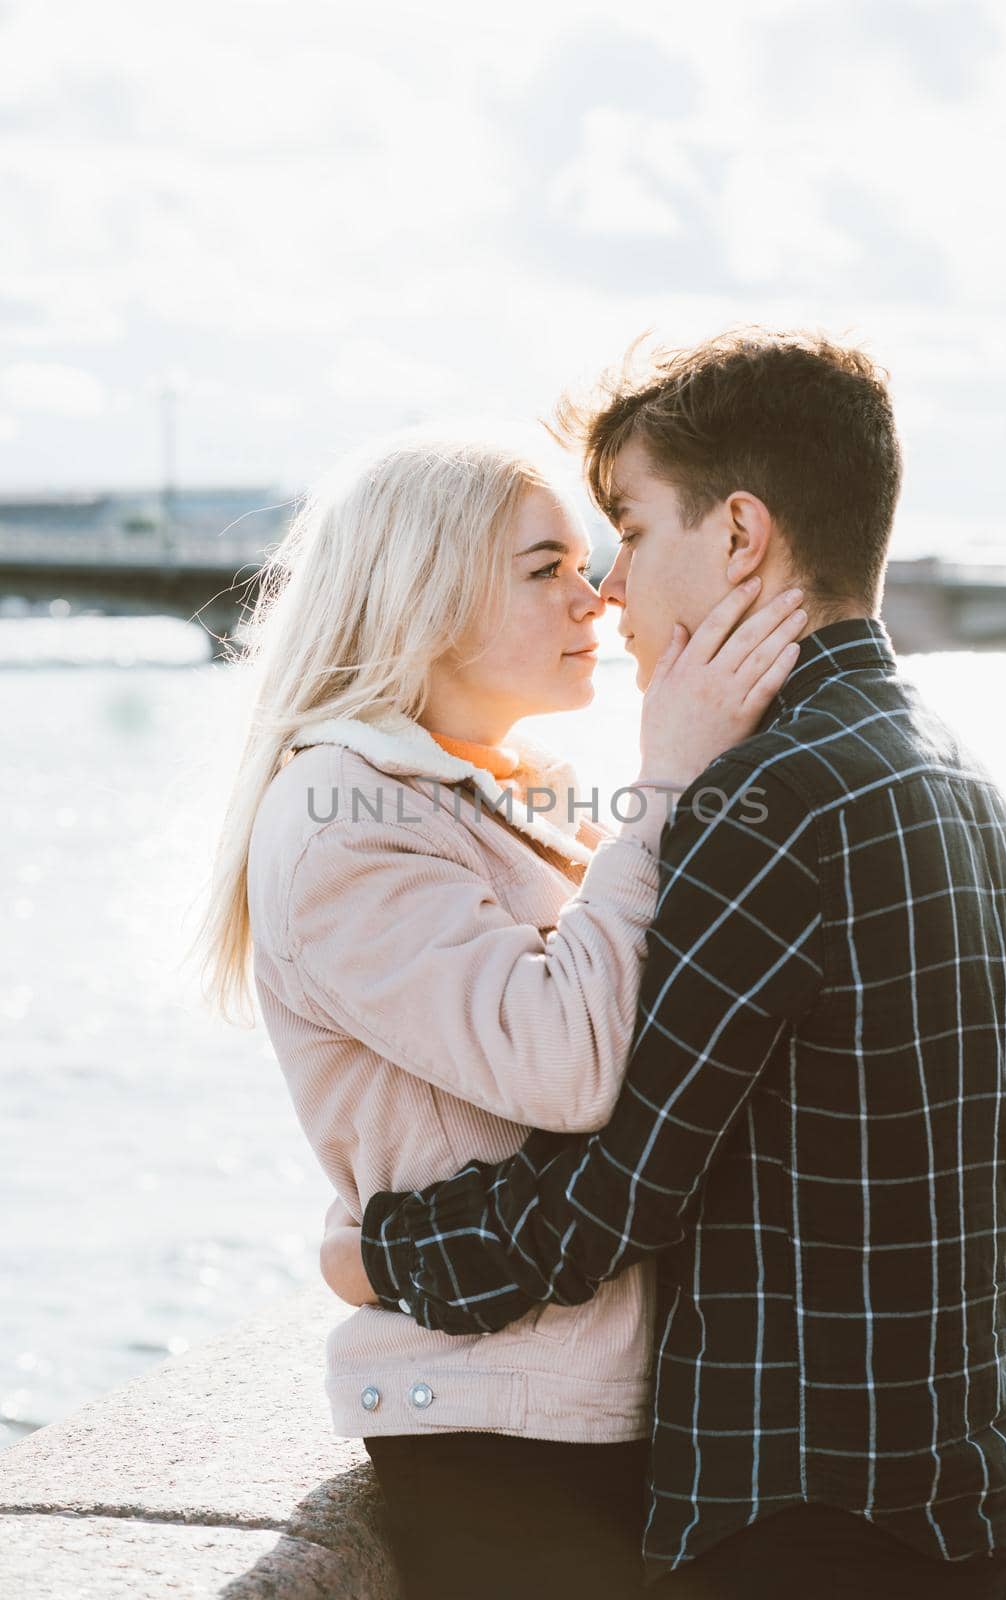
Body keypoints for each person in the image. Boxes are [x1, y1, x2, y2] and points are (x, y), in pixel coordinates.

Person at [327, 330, 1006, 1599]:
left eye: (630, 528)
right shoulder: (953, 772)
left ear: (738, 534)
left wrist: (379, 1251)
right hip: (969, 1495)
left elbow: (610, 1198)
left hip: (804, 1522)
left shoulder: (768, 800)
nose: (608, 589)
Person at [193, 425, 805, 1600]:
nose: (594, 596)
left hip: (569, 1394)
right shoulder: (342, 814)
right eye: (546, 568)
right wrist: (667, 774)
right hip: (495, 1431)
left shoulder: (494, 784)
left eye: (587, 561)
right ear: (421, 596)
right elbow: (568, 1060)